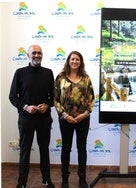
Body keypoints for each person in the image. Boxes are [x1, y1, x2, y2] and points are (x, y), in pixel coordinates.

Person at [9, 44, 55, 188]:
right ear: (28, 55)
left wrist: (47, 105)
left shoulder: (48, 73)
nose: (37, 55)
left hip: (44, 119)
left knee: (44, 150)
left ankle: (46, 180)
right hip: (26, 119)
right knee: (25, 150)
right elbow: (12, 97)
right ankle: (22, 183)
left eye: (39, 53)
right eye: (34, 53)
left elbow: (54, 97)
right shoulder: (20, 72)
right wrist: (25, 107)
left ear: (42, 55)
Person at [54, 51, 95, 188]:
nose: (75, 61)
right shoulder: (60, 77)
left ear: (81, 62)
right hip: (66, 119)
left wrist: (84, 114)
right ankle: (65, 179)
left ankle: (82, 178)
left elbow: (91, 99)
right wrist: (65, 115)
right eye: (72, 59)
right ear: (68, 61)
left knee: (81, 148)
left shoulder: (86, 78)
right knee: (66, 148)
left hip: (82, 119)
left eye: (77, 59)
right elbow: (55, 99)